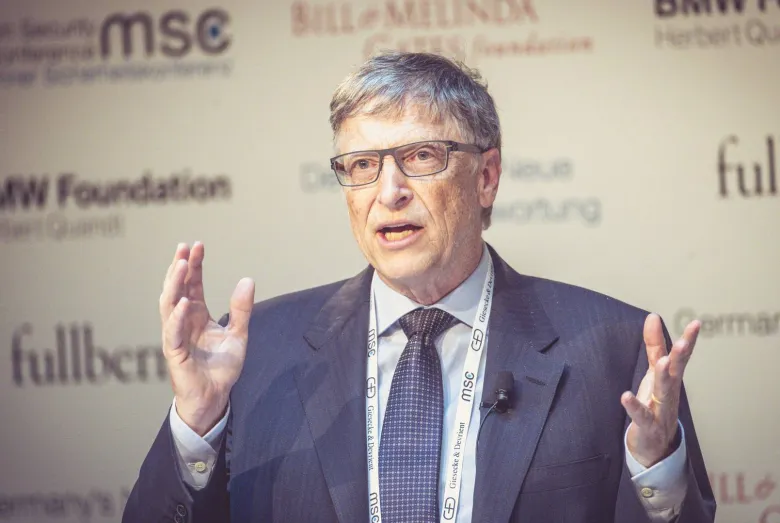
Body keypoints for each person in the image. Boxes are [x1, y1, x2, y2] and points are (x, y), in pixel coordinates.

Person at [122, 52, 716, 523]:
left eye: (422, 156)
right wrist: (197, 425)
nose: (389, 192)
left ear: (486, 177)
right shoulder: (258, 355)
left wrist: (655, 471)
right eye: (362, 165)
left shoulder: (611, 349)